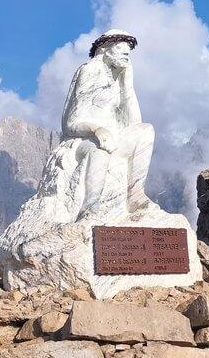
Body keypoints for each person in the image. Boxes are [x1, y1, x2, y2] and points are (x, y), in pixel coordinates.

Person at [60, 28, 158, 220]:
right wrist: (96, 129)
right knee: (99, 149)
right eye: (122, 53)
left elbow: (134, 123)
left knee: (146, 130)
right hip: (84, 140)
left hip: (114, 138)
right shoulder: (88, 71)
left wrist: (128, 84)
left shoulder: (119, 76)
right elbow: (69, 124)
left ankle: (135, 195)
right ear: (105, 49)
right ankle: (90, 207)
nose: (127, 58)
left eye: (128, 55)